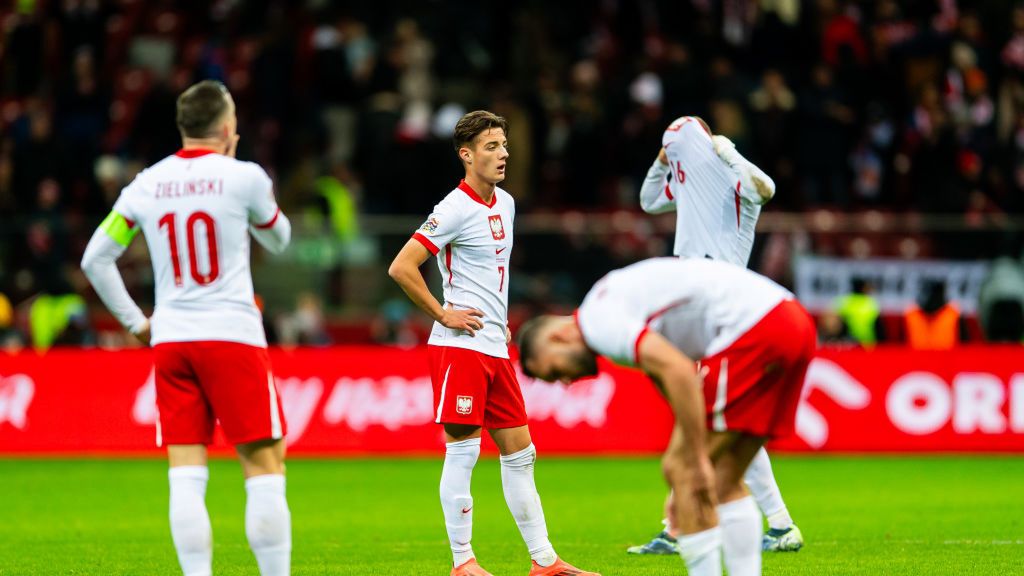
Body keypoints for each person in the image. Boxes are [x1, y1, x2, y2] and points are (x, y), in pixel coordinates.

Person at [80, 80, 292, 576]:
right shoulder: (245, 177)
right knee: (264, 467)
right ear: (226, 128)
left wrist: (136, 323)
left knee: (185, 475)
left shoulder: (146, 183)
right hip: (232, 335)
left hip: (172, 339)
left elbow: (96, 258)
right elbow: (280, 238)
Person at [387, 110, 599, 576]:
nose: (502, 154)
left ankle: (545, 561)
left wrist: (498, 320)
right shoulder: (452, 208)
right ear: (466, 155)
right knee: (463, 452)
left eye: (503, 145)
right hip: (458, 346)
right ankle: (462, 561)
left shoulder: (506, 203)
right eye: (490, 147)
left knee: (522, 454)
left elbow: (491, 276)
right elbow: (402, 267)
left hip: (493, 346)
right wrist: (443, 312)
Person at [517, 257, 817, 576]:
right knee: (725, 478)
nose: (564, 381)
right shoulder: (607, 305)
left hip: (755, 330)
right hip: (791, 320)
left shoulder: (599, 323)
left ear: (557, 338)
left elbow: (678, 371)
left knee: (683, 471)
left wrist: (694, 455)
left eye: (553, 372)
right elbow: (669, 378)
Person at [635, 115, 803, 554]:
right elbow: (650, 200)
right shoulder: (691, 186)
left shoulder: (735, 181)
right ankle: (772, 524)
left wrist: (725, 151)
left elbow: (766, 188)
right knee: (716, 416)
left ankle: (682, 526)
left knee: (713, 416)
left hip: (724, 307)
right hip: (699, 305)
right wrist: (661, 160)